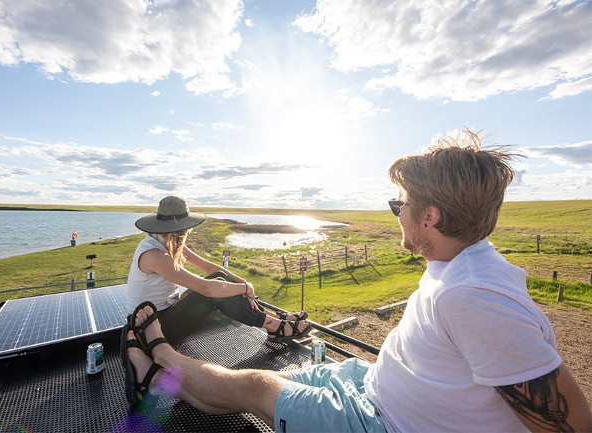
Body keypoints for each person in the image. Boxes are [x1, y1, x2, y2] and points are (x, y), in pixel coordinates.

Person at [122, 131, 591, 432]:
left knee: (255, 388)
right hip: (371, 384)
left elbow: (571, 422)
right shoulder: (462, 265)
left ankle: (160, 354)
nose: (396, 214)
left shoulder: (474, 297)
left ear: (430, 215)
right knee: (271, 381)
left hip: (381, 419)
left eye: (398, 205)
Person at [125, 195, 311, 347]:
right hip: (152, 330)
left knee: (219, 278)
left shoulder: (167, 242)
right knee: (212, 293)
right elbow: (205, 288)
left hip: (167, 314)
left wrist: (242, 283)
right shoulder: (154, 254)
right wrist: (244, 288)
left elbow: (209, 268)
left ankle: (274, 319)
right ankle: (274, 326)